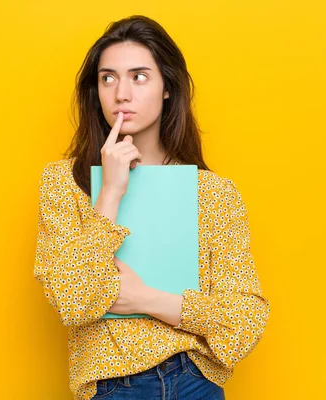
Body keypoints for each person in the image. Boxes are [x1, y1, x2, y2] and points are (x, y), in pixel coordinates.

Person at [33, 15, 270, 400]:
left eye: (139, 76)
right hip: (113, 386)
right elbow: (72, 301)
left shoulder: (213, 193)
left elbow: (245, 320)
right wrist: (110, 192)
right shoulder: (64, 182)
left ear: (166, 88)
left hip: (195, 379)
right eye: (107, 78)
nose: (121, 93)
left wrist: (144, 299)